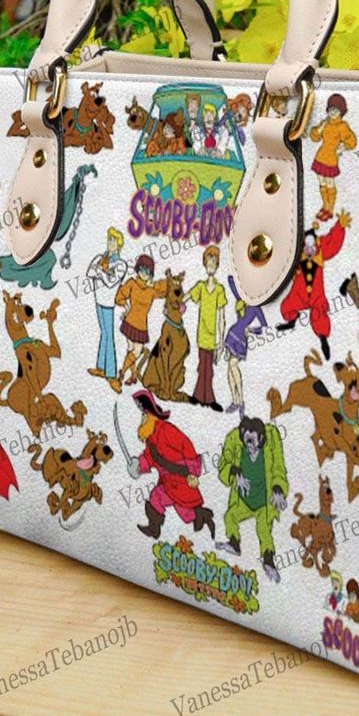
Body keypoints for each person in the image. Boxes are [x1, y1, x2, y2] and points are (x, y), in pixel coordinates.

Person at [130, 389, 215, 539]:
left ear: (151, 415)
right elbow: (149, 457)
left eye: (144, 414)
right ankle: (156, 528)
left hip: (180, 477)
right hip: (167, 480)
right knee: (171, 505)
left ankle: (202, 516)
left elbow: (186, 445)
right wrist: (138, 466)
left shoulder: (166, 429)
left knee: (175, 506)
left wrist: (193, 472)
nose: (142, 419)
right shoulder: (150, 438)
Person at [216, 414, 289, 583]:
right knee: (230, 516)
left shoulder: (270, 448)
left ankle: (268, 561)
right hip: (244, 501)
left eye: (252, 441)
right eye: (246, 441)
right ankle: (234, 543)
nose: (249, 446)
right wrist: (235, 472)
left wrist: (278, 489)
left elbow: (279, 470)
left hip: (263, 503)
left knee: (264, 530)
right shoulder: (235, 444)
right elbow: (223, 466)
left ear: (261, 439)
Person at [276, 214, 349, 361]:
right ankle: (292, 321)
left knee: (319, 313)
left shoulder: (321, 250)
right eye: (307, 247)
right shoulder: (297, 253)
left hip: (316, 296)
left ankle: (323, 339)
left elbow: (332, 243)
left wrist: (339, 227)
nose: (310, 251)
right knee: (288, 305)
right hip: (299, 294)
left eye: (312, 247)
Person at [87, 227, 128, 393]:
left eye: (113, 240)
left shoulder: (120, 264)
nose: (110, 243)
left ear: (119, 244)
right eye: (109, 239)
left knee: (109, 335)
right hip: (98, 300)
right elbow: (90, 272)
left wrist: (100, 272)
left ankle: (111, 374)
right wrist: (101, 272)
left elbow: (111, 282)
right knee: (103, 333)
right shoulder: (100, 258)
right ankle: (101, 367)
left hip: (108, 303)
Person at [115, 254, 167, 386]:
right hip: (132, 323)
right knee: (136, 352)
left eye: (148, 271)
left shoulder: (151, 290)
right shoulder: (132, 283)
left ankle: (133, 376)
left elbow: (166, 289)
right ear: (138, 269)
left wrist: (154, 284)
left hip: (139, 325)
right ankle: (122, 374)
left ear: (151, 274)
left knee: (131, 350)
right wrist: (126, 307)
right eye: (142, 269)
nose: (144, 273)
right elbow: (119, 297)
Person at [188, 246, 227, 412]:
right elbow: (188, 296)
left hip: (213, 337)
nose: (211, 265)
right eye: (208, 262)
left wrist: (221, 341)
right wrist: (176, 302)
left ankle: (206, 398)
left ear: (217, 265)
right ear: (204, 264)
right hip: (202, 335)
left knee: (208, 369)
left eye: (214, 262)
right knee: (203, 366)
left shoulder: (219, 290)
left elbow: (222, 317)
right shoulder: (200, 287)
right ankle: (202, 397)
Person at [309, 93, 357, 222]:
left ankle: (330, 209)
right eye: (330, 109)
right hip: (320, 156)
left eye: (336, 110)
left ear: (341, 111)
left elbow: (352, 141)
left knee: (329, 183)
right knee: (322, 182)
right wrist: (319, 129)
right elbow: (314, 137)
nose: (333, 112)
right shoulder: (325, 123)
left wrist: (343, 147)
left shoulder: (342, 126)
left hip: (331, 158)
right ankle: (324, 206)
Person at [224, 274, 267, 416]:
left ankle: (241, 400)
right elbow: (230, 280)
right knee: (229, 369)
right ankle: (235, 401)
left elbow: (264, 326)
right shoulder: (240, 299)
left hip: (241, 338)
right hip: (232, 334)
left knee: (233, 365)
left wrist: (252, 330)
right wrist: (243, 276)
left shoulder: (256, 308)